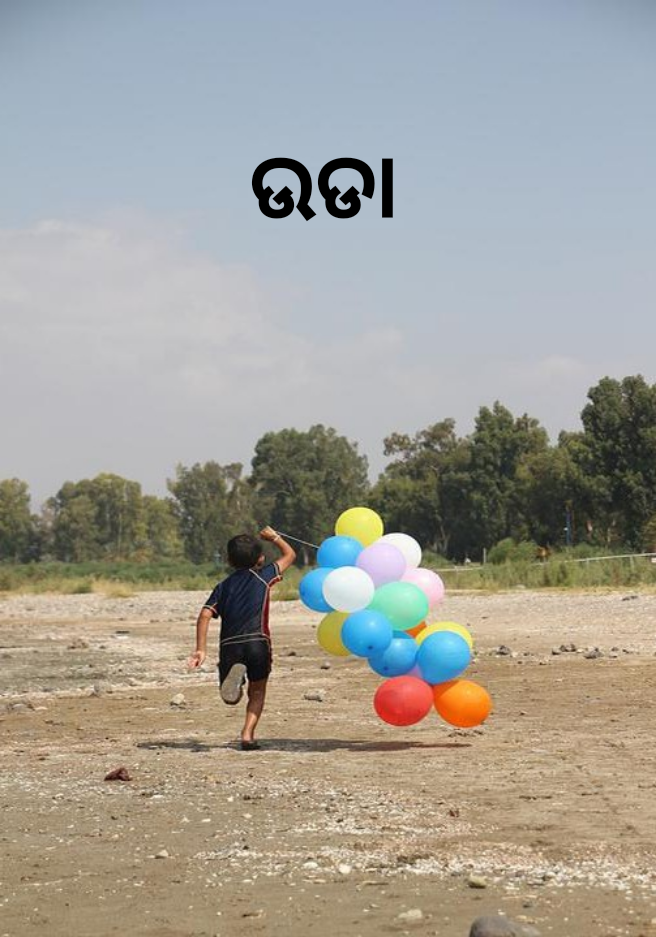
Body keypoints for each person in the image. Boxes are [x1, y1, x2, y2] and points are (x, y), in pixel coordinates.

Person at [187, 527, 296, 750]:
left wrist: (201, 649)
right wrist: (275, 537)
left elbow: (205, 614)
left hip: (230, 645)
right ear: (260, 559)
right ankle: (247, 735)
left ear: (229, 561)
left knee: (231, 697)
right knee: (258, 690)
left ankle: (233, 688)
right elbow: (290, 555)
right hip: (258, 641)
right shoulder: (264, 576)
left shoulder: (223, 587)